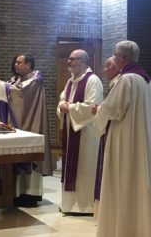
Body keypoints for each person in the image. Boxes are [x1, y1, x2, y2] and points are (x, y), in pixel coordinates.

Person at [93, 40, 151, 237]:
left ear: (123, 58)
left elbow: (112, 109)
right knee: (136, 181)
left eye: (115, 54)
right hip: (141, 137)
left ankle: (121, 229)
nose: (114, 57)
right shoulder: (146, 80)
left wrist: (98, 111)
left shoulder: (125, 79)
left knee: (121, 181)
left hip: (124, 139)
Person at [0, 53, 52, 207]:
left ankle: (30, 194)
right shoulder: (15, 80)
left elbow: (20, 94)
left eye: (19, 62)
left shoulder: (35, 79)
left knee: (30, 157)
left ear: (29, 64)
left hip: (31, 125)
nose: (16, 65)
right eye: (15, 62)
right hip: (17, 126)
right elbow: (7, 93)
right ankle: (15, 193)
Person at [57, 49, 103, 215]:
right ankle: (69, 204)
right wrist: (62, 106)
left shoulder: (93, 81)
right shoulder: (71, 81)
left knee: (85, 169)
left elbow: (92, 106)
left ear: (83, 61)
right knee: (72, 167)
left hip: (86, 134)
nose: (68, 62)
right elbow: (63, 99)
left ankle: (85, 206)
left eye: (72, 59)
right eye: (69, 59)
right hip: (72, 132)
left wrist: (69, 107)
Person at [93, 57, 119, 216]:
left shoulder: (120, 83)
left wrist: (99, 110)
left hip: (117, 135)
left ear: (117, 67)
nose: (104, 70)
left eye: (108, 66)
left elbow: (113, 110)